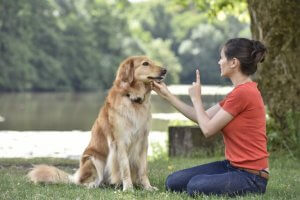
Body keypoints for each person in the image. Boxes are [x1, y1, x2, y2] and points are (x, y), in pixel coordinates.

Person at [152, 38, 269, 197]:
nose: (219, 62)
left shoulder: (244, 93)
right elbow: (203, 117)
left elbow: (207, 130)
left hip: (252, 177)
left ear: (233, 62)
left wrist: (196, 99)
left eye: (222, 57)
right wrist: (168, 96)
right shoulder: (237, 93)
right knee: (173, 181)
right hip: (232, 166)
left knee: (195, 185)